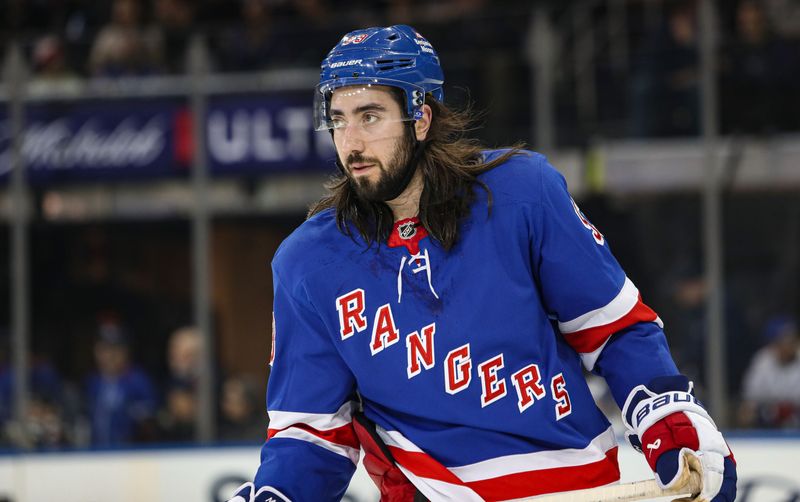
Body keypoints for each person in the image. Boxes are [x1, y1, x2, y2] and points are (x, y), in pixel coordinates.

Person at [229, 25, 737, 502]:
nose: (351, 143)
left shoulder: (522, 194)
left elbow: (613, 331)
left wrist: (671, 420)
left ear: (421, 118)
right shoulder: (308, 262)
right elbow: (313, 433)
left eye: (369, 116)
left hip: (570, 486)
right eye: (338, 120)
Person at [739, 315, 800, 428]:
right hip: (768, 422)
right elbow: (749, 402)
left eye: (792, 340)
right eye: (783, 340)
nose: (788, 345)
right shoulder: (763, 361)